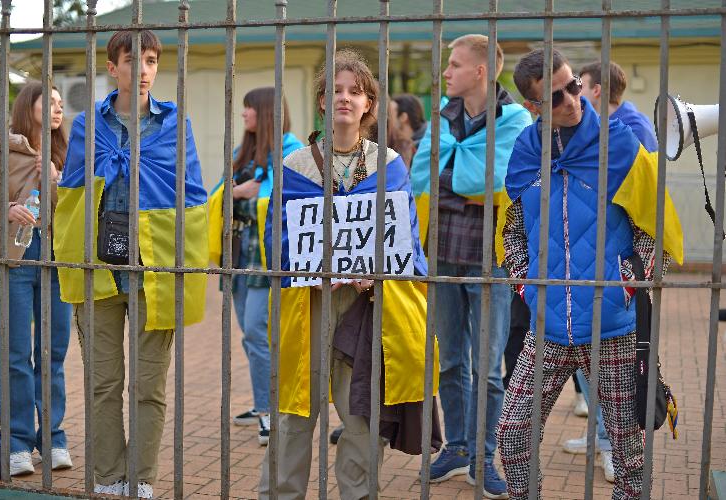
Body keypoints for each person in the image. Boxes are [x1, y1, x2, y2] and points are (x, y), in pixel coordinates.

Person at [496, 48, 684, 499]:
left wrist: (626, 285)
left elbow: (653, 228)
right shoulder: (525, 150)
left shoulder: (620, 145)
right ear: (533, 107)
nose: (572, 101)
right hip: (548, 327)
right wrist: (526, 284)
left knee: (627, 451)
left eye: (574, 87)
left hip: (612, 326)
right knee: (512, 433)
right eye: (556, 96)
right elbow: (513, 229)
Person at [258, 49, 434, 499]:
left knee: (361, 417)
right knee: (294, 414)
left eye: (355, 92)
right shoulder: (295, 166)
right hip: (308, 306)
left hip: (366, 309)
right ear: (321, 101)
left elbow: (406, 239)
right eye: (335, 91)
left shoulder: (389, 164)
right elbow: (278, 239)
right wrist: (309, 268)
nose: (344, 99)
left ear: (369, 104)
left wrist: (376, 275)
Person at [52, 30, 209, 498]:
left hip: (153, 269)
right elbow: (74, 195)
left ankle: (140, 478)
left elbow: (192, 196)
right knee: (103, 383)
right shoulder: (86, 126)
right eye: (131, 60)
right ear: (112, 67)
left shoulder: (175, 124)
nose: (142, 69)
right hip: (99, 268)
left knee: (148, 386)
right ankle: (108, 477)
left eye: (151, 60)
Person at [409, 34, 532, 497]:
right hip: (440, 254)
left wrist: (455, 181)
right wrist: (461, 184)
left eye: (454, 65)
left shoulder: (517, 122)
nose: (446, 73)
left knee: (490, 368)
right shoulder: (442, 116)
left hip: (490, 261)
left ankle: (486, 457)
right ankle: (457, 447)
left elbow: (502, 182)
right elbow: (422, 176)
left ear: (480, 72)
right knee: (451, 361)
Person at [557, 59, 663, 483]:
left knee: (612, 364)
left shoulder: (626, 131)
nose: (574, 96)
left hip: (612, 265)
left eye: (579, 86)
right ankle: (601, 435)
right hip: (588, 262)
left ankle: (612, 446)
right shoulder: (613, 126)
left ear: (597, 90)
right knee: (593, 361)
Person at [0, 82, 72, 476]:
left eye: (60, 103)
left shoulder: (70, 154)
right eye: (48, 101)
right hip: (14, 260)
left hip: (58, 262)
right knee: (15, 354)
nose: (56, 109)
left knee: (53, 353)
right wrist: (5, 208)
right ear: (25, 105)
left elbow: (82, 207)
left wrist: (56, 179)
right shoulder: (0, 154)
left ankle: (52, 438)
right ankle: (16, 443)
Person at [206, 87, 303, 446]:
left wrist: (249, 192)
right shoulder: (243, 151)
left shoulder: (292, 152)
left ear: (265, 114)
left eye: (249, 109)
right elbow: (219, 193)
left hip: (267, 258)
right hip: (239, 255)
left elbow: (281, 198)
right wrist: (237, 193)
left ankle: (269, 409)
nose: (243, 114)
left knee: (256, 332)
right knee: (252, 337)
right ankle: (265, 402)